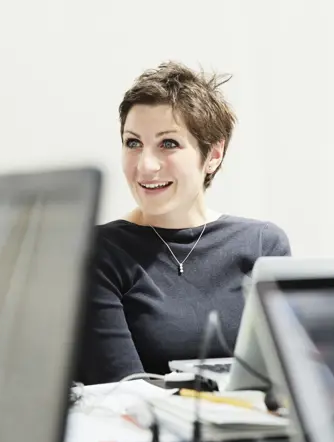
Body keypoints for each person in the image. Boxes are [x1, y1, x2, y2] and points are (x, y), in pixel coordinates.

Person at [76, 62, 292, 385]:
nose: (146, 166)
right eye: (133, 143)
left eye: (168, 144)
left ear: (214, 154)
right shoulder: (99, 252)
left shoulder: (264, 244)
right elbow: (121, 393)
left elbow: (289, 375)